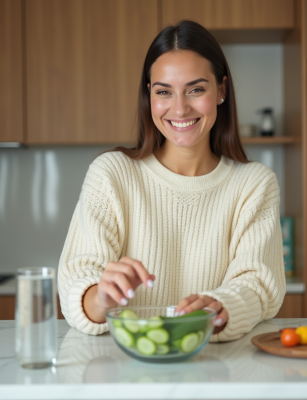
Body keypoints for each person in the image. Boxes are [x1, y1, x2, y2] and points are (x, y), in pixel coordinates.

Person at [58, 20, 285, 341]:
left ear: (221, 90)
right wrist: (101, 297)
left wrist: (222, 306)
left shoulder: (254, 184)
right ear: (148, 95)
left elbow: (257, 282)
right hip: (124, 368)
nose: (179, 108)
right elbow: (79, 277)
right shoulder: (111, 173)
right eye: (164, 91)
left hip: (218, 368)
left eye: (196, 89)